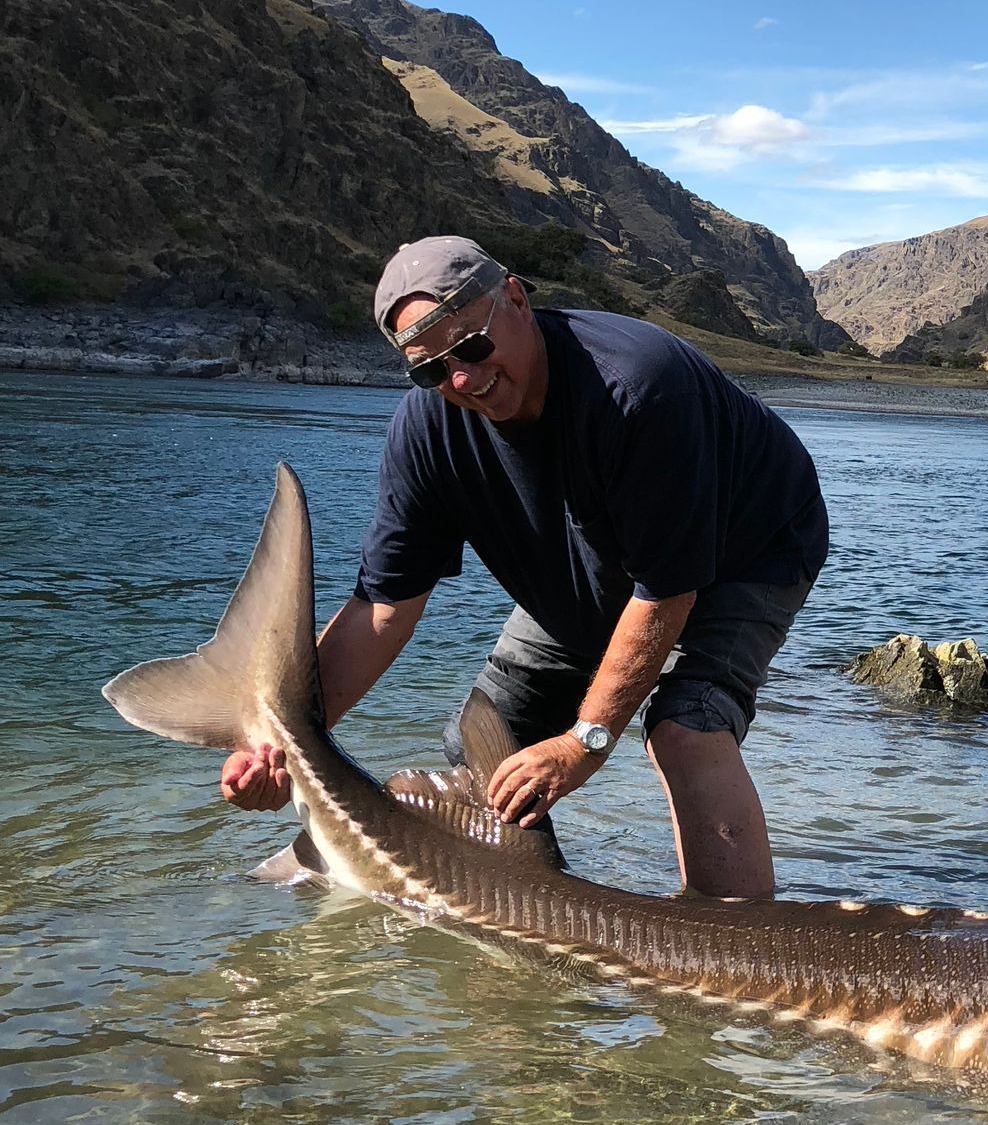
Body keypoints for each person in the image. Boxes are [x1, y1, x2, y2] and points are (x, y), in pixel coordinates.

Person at [220, 236, 828, 897]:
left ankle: (732, 958)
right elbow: (383, 610)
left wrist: (584, 742)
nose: (462, 380)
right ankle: (537, 908)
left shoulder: (636, 386)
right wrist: (283, 744)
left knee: (686, 726)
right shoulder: (428, 433)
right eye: (431, 370)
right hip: (588, 565)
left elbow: (665, 594)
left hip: (749, 547)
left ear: (515, 298)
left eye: (473, 347)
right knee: (486, 740)